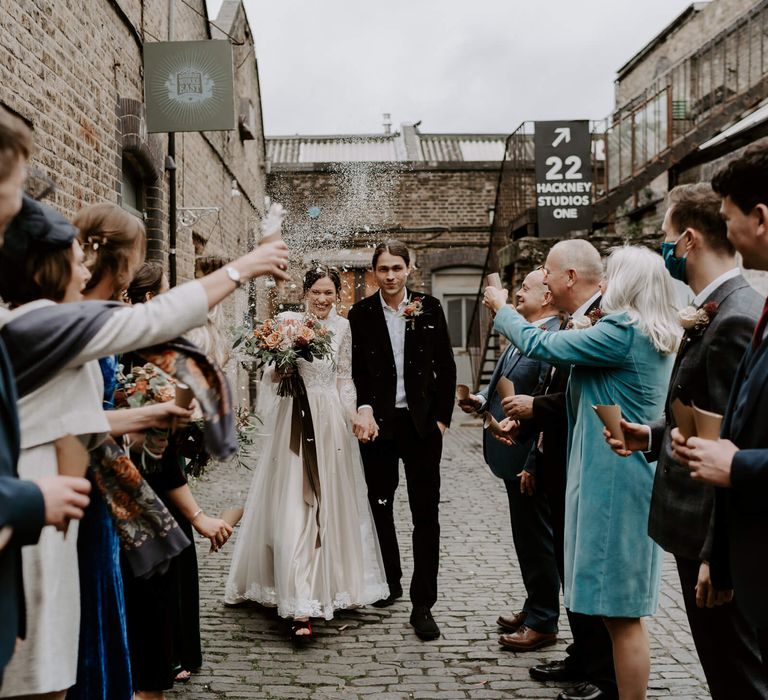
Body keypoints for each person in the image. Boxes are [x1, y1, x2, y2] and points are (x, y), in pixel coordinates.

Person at [0, 197, 288, 699]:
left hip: (56, 512)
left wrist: (149, 415)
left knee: (55, 673)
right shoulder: (38, 323)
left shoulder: (45, 322)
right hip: (35, 510)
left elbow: (69, 417)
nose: (83, 265)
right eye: (74, 257)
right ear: (48, 265)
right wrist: (245, 267)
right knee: (38, 676)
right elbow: (154, 321)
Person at [485, 245, 680, 700]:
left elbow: (541, 343)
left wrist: (502, 308)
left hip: (617, 480)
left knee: (622, 613)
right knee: (611, 609)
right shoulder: (633, 329)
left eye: (612, 276)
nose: (606, 283)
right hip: (602, 476)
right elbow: (582, 396)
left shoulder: (623, 330)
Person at [605, 184, 766, 699]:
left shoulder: (735, 315)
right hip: (698, 533)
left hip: (713, 538)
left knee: (736, 673)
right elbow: (710, 420)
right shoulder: (711, 308)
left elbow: (735, 443)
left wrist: (713, 557)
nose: (664, 249)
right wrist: (652, 434)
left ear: (689, 240)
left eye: (666, 237)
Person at [225, 266, 389, 639]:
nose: (322, 299)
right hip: (293, 420)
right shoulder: (287, 322)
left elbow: (344, 379)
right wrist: (279, 370)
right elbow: (267, 375)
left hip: (329, 420)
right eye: (316, 291)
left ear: (337, 294)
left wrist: (352, 416)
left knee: (326, 502)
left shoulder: (343, 328)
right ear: (305, 292)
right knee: (293, 503)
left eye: (329, 292)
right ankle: (296, 597)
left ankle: (324, 587)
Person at [500, 240, 616, 700]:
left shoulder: (603, 319)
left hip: (585, 462)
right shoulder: (576, 320)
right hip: (557, 460)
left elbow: (579, 398)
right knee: (571, 567)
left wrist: (535, 407)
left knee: (583, 569)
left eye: (547, 272)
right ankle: (581, 654)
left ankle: (599, 668)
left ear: (568, 276)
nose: (543, 280)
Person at [0, 105, 91, 686]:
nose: (17, 207)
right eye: (12, 189)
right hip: (38, 497)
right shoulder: (51, 331)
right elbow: (74, 443)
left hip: (35, 498)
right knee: (43, 667)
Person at [671, 144, 768, 677]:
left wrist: (735, 467)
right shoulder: (752, 309)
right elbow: (736, 418)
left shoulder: (738, 313)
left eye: (729, 220)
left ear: (760, 218)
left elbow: (739, 448)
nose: (725, 235)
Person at [348, 240, 456, 641]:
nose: (390, 276)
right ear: (374, 272)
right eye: (383, 269)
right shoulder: (360, 314)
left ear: (409, 269)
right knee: (381, 504)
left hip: (422, 426)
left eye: (397, 268)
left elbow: (445, 366)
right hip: (378, 425)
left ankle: (423, 603)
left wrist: (443, 420)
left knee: (425, 515)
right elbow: (355, 370)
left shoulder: (429, 308)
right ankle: (389, 580)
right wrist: (362, 410)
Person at [459, 268, 561, 651]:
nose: (518, 292)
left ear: (547, 296)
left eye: (525, 287)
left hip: (528, 460)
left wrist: (533, 462)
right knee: (526, 539)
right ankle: (533, 605)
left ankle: (544, 620)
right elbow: (501, 385)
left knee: (538, 541)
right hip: (508, 452)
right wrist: (481, 401)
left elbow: (547, 408)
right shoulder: (520, 335)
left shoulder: (552, 340)